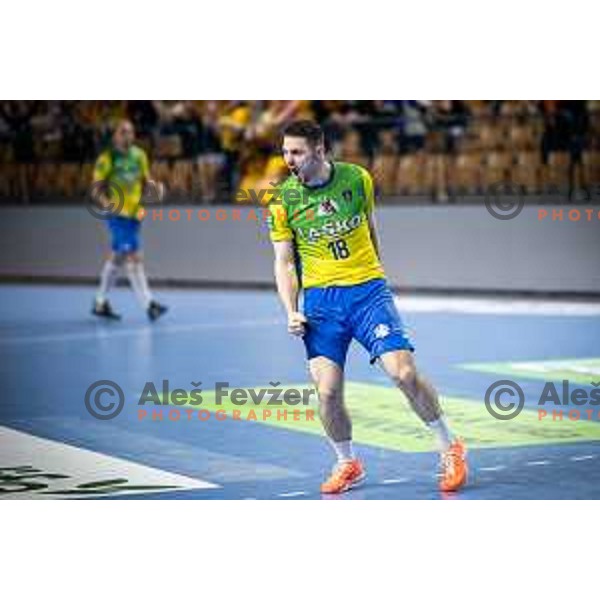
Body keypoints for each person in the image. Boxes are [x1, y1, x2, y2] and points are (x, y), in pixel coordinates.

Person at [268, 120, 467, 494]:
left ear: (319, 150)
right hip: (321, 304)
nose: (288, 159)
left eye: (296, 152)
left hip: (367, 292)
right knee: (327, 392)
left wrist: (374, 277)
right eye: (284, 151)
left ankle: (450, 446)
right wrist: (291, 310)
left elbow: (372, 229)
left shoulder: (357, 179)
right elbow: (284, 262)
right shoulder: (282, 201)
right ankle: (348, 463)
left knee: (404, 374)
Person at [92, 119, 168, 321]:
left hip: (135, 215)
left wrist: (155, 189)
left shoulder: (139, 155)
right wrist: (107, 204)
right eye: (123, 132)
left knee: (117, 257)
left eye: (131, 132)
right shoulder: (107, 158)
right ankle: (149, 305)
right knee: (134, 256)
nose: (128, 136)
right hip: (118, 215)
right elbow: (96, 189)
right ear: (115, 135)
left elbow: (146, 181)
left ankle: (100, 302)